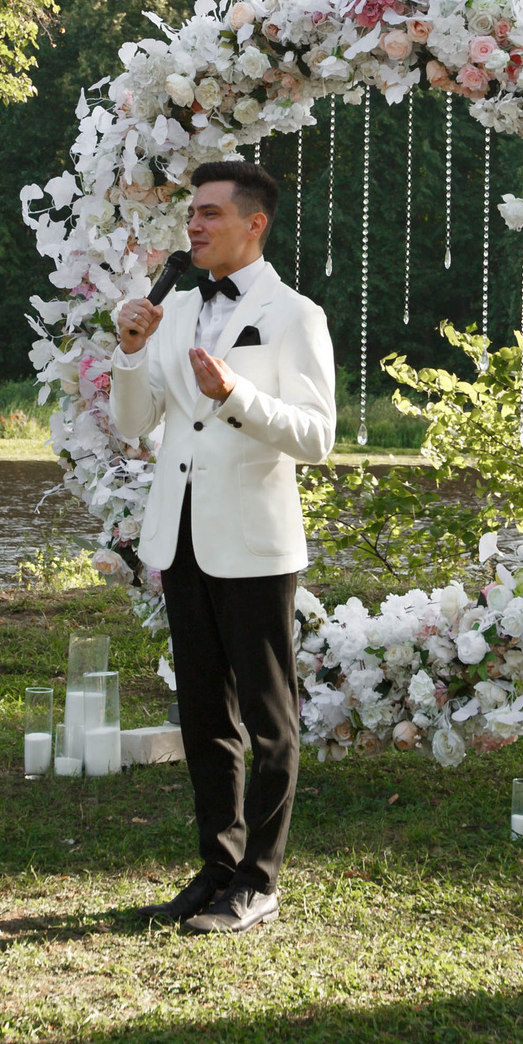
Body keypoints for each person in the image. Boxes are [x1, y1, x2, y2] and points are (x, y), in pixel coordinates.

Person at [109, 159, 337, 935]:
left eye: (209, 214)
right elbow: (136, 422)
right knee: (202, 712)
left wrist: (235, 396)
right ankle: (216, 866)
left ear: (254, 223)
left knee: (270, 719)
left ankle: (261, 880)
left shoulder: (296, 316)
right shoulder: (172, 309)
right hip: (180, 536)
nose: (195, 227)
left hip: (255, 542)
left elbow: (317, 436)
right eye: (192, 216)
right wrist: (135, 351)